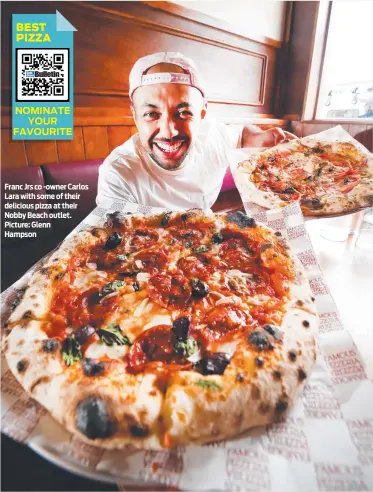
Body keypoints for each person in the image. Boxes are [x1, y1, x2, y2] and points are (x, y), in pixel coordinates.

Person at [97, 52, 295, 210]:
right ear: (135, 116)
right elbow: (112, 244)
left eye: (183, 113)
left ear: (202, 113)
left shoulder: (212, 135)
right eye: (151, 114)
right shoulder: (118, 173)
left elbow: (243, 134)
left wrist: (260, 137)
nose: (169, 131)